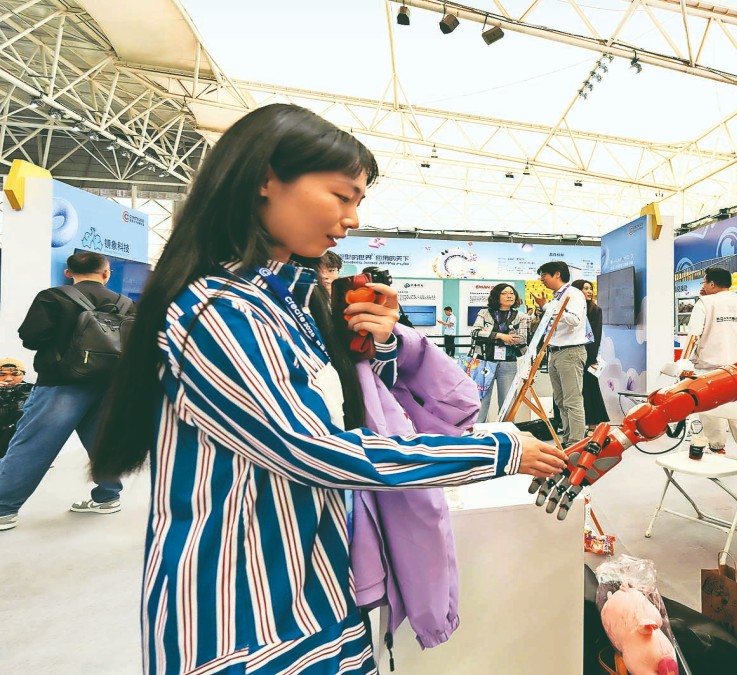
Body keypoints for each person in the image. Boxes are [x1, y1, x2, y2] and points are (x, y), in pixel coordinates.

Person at [86, 103, 567, 674]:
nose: (353, 218)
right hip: (237, 611)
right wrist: (498, 449)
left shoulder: (285, 302)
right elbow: (315, 449)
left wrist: (380, 342)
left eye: (358, 201)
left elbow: (353, 406)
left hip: (315, 586)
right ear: (266, 179)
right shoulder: (218, 312)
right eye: (342, 196)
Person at [0, 252, 130, 531]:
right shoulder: (125, 303)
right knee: (102, 440)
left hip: (61, 382)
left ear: (68, 273)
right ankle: (108, 496)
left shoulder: (52, 297)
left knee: (32, 444)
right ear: (106, 273)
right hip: (109, 384)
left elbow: (31, 338)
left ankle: (3, 508)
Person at [685, 267, 737, 456]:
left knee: (711, 408)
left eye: (704, 282)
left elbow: (693, 335)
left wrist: (683, 362)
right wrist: (707, 295)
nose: (703, 285)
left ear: (712, 284)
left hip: (710, 367)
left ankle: (717, 448)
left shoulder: (704, 303)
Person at [534, 260, 591, 445]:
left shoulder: (573, 294)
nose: (541, 279)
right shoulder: (556, 296)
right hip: (555, 351)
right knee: (560, 401)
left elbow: (574, 320)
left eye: (544, 275)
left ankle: (576, 442)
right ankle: (567, 439)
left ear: (557, 274)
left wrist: (547, 307)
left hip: (570, 352)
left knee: (572, 400)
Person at [470, 283, 531, 422]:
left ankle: (506, 435)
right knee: (481, 401)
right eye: (504, 293)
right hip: (485, 361)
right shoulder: (484, 313)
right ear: (497, 296)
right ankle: (477, 433)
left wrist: (490, 336)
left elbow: (521, 339)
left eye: (511, 293)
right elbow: (475, 333)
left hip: (508, 362)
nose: (509, 295)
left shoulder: (520, 316)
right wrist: (501, 336)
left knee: (507, 402)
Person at [571, 279, 607, 432]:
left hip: (588, 355)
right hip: (571, 353)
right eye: (585, 288)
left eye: (590, 288)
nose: (589, 291)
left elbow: (596, 336)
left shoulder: (595, 310)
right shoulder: (572, 309)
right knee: (572, 391)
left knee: (590, 389)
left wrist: (592, 359)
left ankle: (593, 424)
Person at [0, 358, 34, 460]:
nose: (8, 379)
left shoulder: (35, 394)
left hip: (21, 454)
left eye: (15, 374)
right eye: (2, 374)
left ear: (23, 375)